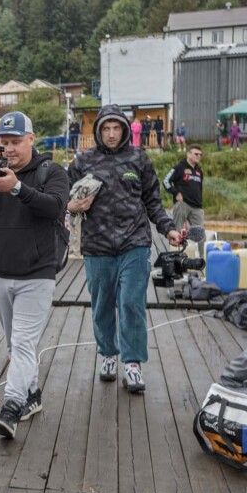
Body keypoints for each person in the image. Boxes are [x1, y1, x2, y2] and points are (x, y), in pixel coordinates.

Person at [0, 111, 69, 439]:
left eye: (16, 141)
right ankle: (32, 395)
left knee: (22, 342)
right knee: (13, 343)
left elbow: (55, 207)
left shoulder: (51, 171)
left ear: (32, 139)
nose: (9, 148)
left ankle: (12, 406)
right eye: (3, 142)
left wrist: (17, 188)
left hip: (37, 273)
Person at [66, 105, 183, 393]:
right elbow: (61, 197)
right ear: (98, 131)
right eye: (106, 129)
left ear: (125, 130)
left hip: (135, 243)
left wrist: (168, 228)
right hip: (97, 246)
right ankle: (108, 354)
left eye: (116, 128)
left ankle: (132, 363)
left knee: (131, 303)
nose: (111, 134)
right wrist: (70, 206)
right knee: (102, 305)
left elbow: (153, 202)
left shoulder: (138, 159)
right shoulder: (82, 161)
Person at [163, 145, 206, 257]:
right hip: (182, 204)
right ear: (188, 154)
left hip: (196, 207)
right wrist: (175, 192)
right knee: (177, 233)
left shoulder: (199, 171)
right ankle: (175, 258)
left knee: (201, 235)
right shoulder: (179, 167)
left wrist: (201, 206)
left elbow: (200, 189)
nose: (198, 156)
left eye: (200, 155)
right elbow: (166, 181)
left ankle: (202, 261)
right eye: (196, 154)